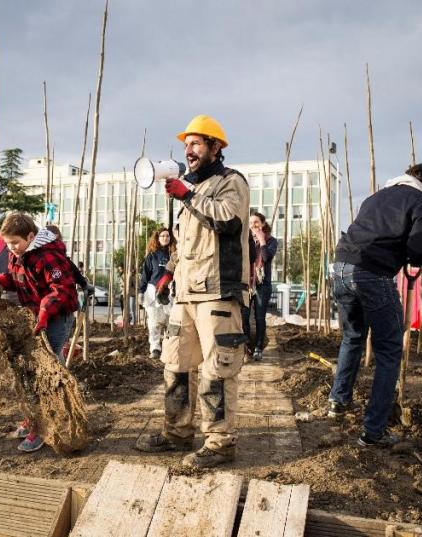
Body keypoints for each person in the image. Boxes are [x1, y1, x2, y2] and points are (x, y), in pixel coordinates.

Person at [135, 114, 250, 469]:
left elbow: (228, 222)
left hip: (217, 291)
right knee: (175, 364)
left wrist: (188, 196)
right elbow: (186, 246)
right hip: (186, 294)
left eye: (196, 143)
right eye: (186, 144)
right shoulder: (189, 188)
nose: (189, 150)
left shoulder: (232, 182)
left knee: (218, 368)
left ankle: (219, 442)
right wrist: (168, 275)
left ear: (216, 147)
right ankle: (177, 432)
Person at [329, 163, 422, 447]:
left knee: (353, 336)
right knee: (390, 349)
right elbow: (418, 248)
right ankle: (373, 431)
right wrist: (414, 258)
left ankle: (338, 401)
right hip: (372, 272)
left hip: (341, 266)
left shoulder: (375, 197)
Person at [0, 213, 79, 453]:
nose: (11, 248)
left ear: (31, 236)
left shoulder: (49, 256)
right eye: (7, 244)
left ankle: (49, 423)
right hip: (37, 314)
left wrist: (44, 311)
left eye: (15, 243)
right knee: (32, 369)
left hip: (58, 315)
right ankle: (39, 417)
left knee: (47, 368)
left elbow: (61, 289)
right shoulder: (17, 254)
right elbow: (17, 279)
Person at [241, 212, 278, 361]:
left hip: (262, 285)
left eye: (256, 222)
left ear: (263, 224)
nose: (253, 226)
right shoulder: (245, 241)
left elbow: (266, 257)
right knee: (244, 316)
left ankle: (258, 348)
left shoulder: (271, 241)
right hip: (247, 283)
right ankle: (247, 346)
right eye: (250, 223)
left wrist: (262, 240)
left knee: (259, 318)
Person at [139, 228, 176, 359]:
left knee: (171, 320)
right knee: (154, 322)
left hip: (170, 290)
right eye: (162, 236)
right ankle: (155, 348)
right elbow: (145, 274)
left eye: (167, 236)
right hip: (153, 291)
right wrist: (141, 291)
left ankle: (169, 347)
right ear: (158, 238)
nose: (165, 238)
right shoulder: (152, 255)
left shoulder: (175, 254)